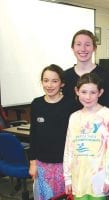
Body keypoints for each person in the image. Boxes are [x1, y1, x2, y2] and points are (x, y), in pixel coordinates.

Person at [63, 73, 109, 200]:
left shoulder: (108, 115)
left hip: (99, 179)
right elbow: (69, 149)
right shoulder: (74, 117)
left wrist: (108, 178)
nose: (88, 97)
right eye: (84, 92)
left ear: (100, 92)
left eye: (93, 92)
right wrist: (67, 178)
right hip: (78, 179)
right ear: (77, 91)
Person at [29, 64, 74, 200]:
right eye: (46, 80)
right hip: (42, 165)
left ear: (62, 83)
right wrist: (32, 163)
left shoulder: (71, 104)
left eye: (54, 81)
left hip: (65, 166)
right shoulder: (36, 104)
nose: (49, 85)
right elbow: (34, 135)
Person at [63, 29, 109, 111]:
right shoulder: (65, 77)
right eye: (78, 44)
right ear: (73, 48)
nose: (83, 49)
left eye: (87, 45)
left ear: (94, 48)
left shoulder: (108, 75)